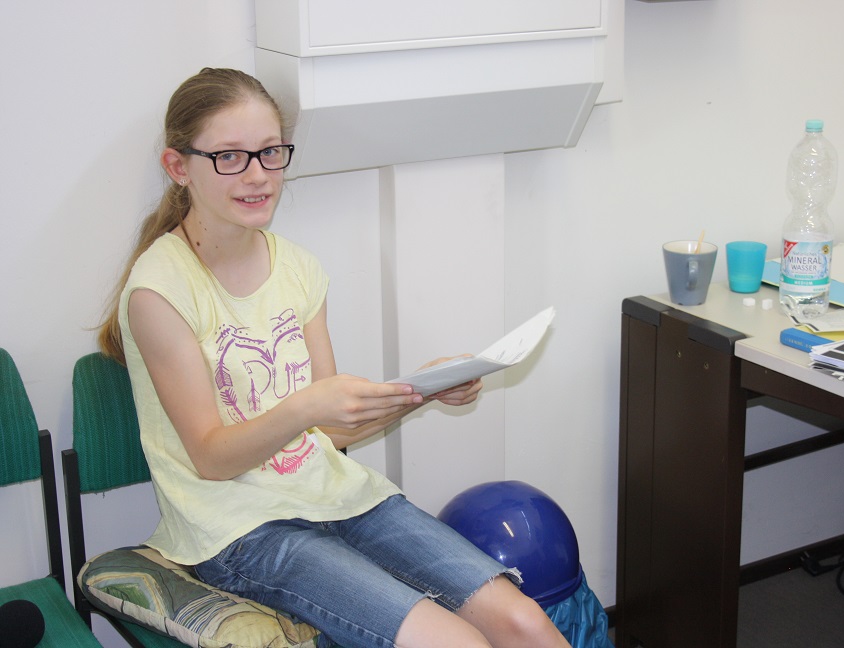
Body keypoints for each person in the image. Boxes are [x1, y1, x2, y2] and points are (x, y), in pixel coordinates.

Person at [97, 68, 570, 648]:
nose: (257, 175)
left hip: (334, 495)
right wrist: (304, 408)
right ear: (179, 167)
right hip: (237, 527)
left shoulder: (298, 268)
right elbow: (211, 459)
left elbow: (330, 431)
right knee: (455, 641)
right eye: (230, 157)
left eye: (270, 152)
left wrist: (422, 389)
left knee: (524, 623)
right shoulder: (160, 291)